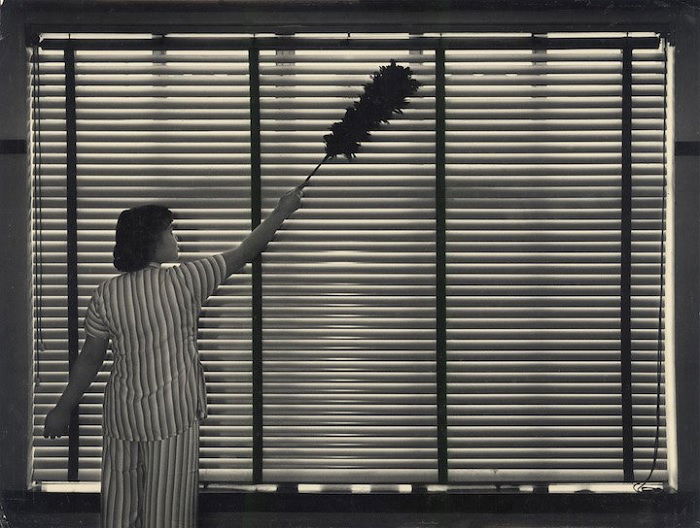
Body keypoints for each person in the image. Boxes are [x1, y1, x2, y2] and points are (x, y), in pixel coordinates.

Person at [43, 186, 303, 528]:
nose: (175, 237)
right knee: (168, 511)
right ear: (152, 241)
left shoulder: (106, 292)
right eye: (170, 231)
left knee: (119, 510)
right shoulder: (186, 280)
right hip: (172, 414)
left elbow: (90, 360)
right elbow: (247, 250)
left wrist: (63, 407)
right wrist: (283, 211)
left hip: (123, 415)